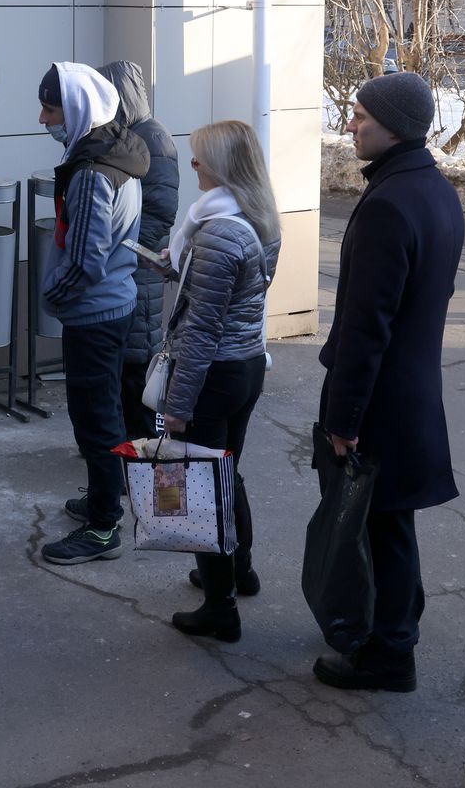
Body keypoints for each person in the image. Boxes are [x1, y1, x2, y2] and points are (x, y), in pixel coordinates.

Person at [312, 70, 462, 693]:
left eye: (361, 117)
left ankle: (390, 652)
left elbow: (365, 326)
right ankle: (389, 629)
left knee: (380, 526)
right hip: (411, 392)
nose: (351, 125)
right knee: (390, 523)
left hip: (381, 401)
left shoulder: (389, 203)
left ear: (394, 127)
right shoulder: (435, 190)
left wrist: (344, 420)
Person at [156, 120, 279, 643]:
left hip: (213, 375)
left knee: (203, 487)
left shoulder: (217, 232)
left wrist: (177, 405)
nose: (193, 164)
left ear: (224, 166)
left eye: (200, 157)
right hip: (246, 365)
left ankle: (219, 608)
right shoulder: (258, 217)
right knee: (228, 474)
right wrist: (181, 268)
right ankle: (238, 572)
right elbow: (238, 295)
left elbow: (203, 329)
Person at [38, 62, 149, 565]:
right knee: (105, 413)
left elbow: (85, 260)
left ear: (78, 109)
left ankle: (103, 527)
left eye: (51, 109)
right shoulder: (117, 151)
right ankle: (104, 496)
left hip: (94, 314)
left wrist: (52, 296)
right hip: (115, 304)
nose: (44, 119)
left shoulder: (90, 173)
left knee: (95, 421)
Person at [97, 60, 178, 441]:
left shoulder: (153, 138)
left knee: (137, 365)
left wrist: (120, 247)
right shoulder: (124, 134)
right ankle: (120, 446)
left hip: (139, 268)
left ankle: (142, 451)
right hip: (128, 266)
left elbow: (160, 212)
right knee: (122, 367)